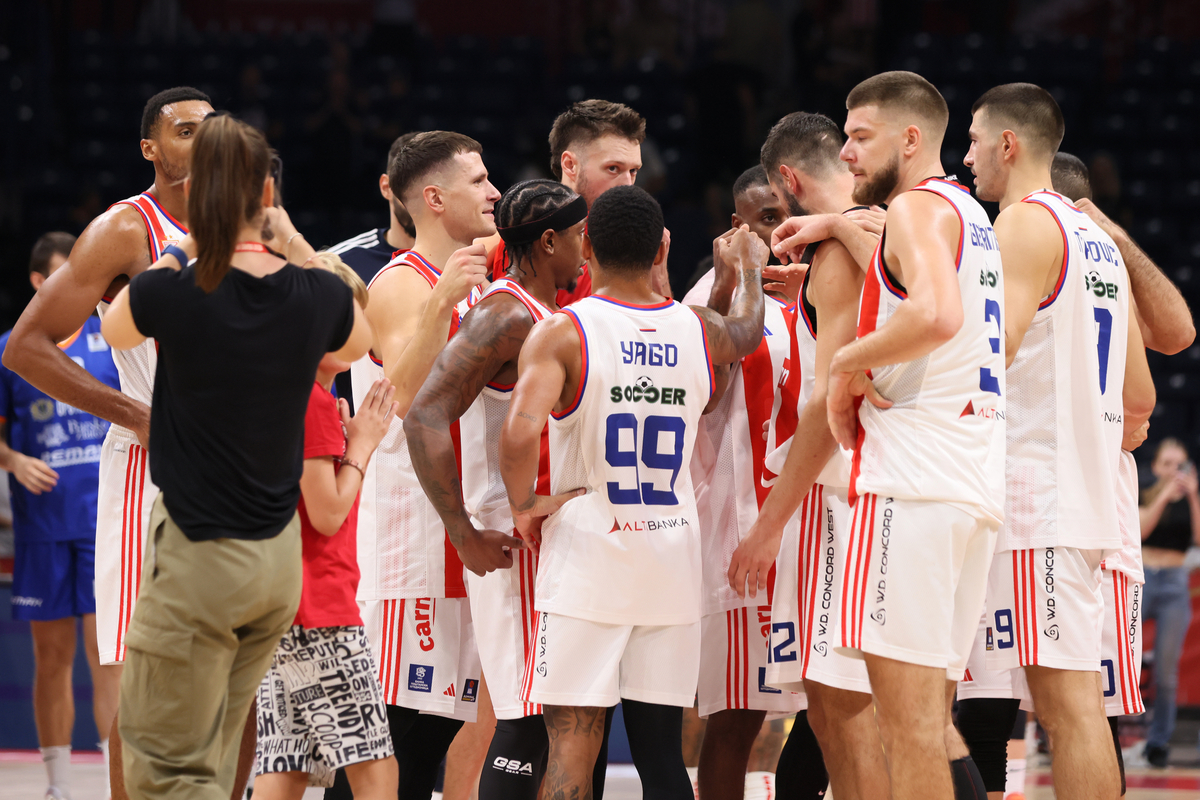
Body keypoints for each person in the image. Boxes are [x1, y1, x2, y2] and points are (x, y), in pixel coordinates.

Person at [0, 87, 278, 800]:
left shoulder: (252, 222)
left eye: (211, 130)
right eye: (184, 131)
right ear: (150, 148)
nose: (201, 141)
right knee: (139, 673)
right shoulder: (128, 228)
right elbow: (27, 348)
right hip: (152, 469)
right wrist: (136, 416)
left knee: (244, 672)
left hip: (242, 468)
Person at [98, 113, 372, 800]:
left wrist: (181, 248)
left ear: (198, 197)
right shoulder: (315, 294)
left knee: (168, 764)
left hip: (200, 554)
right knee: (220, 754)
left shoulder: (175, 288)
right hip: (276, 564)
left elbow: (112, 324)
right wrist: (292, 241)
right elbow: (360, 338)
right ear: (269, 198)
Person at [775, 72, 1007, 800]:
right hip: (968, 483)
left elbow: (934, 315)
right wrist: (826, 225)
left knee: (903, 732)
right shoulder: (968, 216)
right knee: (930, 722)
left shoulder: (913, 209)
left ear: (911, 139)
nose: (844, 152)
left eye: (860, 136)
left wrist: (844, 361)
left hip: (910, 487)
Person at [499, 185, 769, 798]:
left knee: (572, 742)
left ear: (586, 245)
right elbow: (748, 332)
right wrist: (748, 269)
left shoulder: (565, 332)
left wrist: (524, 506)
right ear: (663, 248)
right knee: (662, 753)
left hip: (590, 553)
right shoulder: (697, 328)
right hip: (670, 556)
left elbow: (517, 435)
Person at [961, 82, 1154, 800]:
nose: (969, 157)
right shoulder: (1099, 243)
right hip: (1086, 495)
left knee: (1064, 711)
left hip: (1035, 496)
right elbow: (1141, 397)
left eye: (976, 140)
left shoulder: (1018, 225)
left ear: (1009, 145)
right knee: (1075, 714)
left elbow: (991, 353)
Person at [406, 179, 619, 799]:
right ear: (549, 241)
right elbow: (423, 415)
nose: (586, 246)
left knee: (561, 719)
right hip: (513, 541)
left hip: (549, 539)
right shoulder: (504, 313)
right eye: (579, 235)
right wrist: (464, 532)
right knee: (528, 720)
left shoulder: (545, 309)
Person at [728, 111, 893, 800]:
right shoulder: (902, 226)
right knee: (846, 711)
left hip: (861, 500)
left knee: (862, 715)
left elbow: (827, 410)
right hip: (906, 487)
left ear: (787, 181)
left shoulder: (849, 246)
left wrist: (768, 527)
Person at [338, 130, 497, 799]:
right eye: (479, 181)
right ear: (434, 198)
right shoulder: (402, 284)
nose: (494, 192)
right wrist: (440, 307)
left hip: (454, 533)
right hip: (407, 542)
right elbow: (394, 400)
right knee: (390, 739)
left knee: (428, 739)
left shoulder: (473, 278)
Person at [251, 255, 399, 800]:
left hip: (282, 606)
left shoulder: (288, 393)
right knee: (376, 768)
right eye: (355, 314)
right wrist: (361, 446)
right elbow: (327, 512)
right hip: (319, 608)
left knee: (286, 766)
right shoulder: (310, 402)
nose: (367, 323)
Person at [680, 165, 805, 800]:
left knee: (826, 715)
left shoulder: (825, 286)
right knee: (735, 722)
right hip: (739, 533)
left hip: (816, 532)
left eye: (787, 214)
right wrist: (739, 275)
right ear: (736, 228)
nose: (779, 231)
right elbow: (704, 396)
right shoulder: (711, 293)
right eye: (763, 219)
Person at [0, 232, 121, 800]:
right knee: (51, 660)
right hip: (43, 526)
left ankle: (109, 783)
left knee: (108, 661)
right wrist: (12, 459)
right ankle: (58, 786)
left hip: (104, 520)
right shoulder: (13, 349)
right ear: (36, 284)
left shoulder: (115, 337)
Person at [487, 99, 671, 303]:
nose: (627, 184)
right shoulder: (517, 223)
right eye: (613, 168)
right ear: (570, 165)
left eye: (633, 171)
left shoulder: (633, 235)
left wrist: (658, 275)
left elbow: (655, 328)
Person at [327, 132, 420, 407]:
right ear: (386, 186)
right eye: (410, 184)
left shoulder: (473, 262)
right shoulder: (340, 263)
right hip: (364, 439)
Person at [1138, 439, 1200, 766]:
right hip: (1143, 576)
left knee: (1167, 670)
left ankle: (1158, 742)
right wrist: (1164, 493)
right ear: (1155, 466)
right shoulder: (1144, 491)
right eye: (1167, 464)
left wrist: (1191, 495)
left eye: (1180, 465)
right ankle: (1109, 731)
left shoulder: (1192, 497)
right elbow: (1141, 531)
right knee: (1122, 660)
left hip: (1175, 581)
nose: (1174, 471)